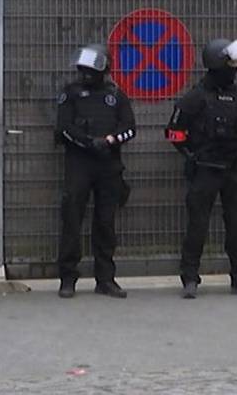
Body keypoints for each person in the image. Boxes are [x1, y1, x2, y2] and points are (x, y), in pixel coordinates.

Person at [166, 38, 237, 299]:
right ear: (218, 64)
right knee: (197, 226)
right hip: (206, 171)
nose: (235, 67)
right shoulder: (196, 97)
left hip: (233, 170)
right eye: (231, 62)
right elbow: (173, 132)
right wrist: (193, 155)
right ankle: (190, 278)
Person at [55, 44, 136, 299]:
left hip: (108, 165)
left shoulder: (116, 96)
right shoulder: (71, 94)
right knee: (71, 219)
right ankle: (68, 278)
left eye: (90, 70)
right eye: (82, 70)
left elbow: (130, 128)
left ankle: (106, 278)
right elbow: (64, 127)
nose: (85, 74)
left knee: (105, 222)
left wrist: (110, 141)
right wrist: (89, 142)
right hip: (79, 163)